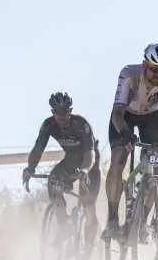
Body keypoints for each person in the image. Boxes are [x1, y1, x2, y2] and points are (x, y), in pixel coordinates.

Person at [104, 42, 158, 238]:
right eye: (154, 71)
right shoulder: (129, 74)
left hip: (151, 118)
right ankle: (112, 220)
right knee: (118, 158)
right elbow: (117, 113)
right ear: (144, 66)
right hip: (124, 115)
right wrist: (125, 133)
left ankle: (141, 222)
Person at [22, 91, 102, 244]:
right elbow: (38, 148)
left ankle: (89, 248)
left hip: (89, 162)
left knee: (88, 206)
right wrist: (30, 168)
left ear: (70, 111)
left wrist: (85, 170)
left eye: (65, 112)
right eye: (57, 113)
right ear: (52, 112)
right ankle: (64, 224)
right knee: (53, 181)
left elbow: (90, 152)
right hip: (71, 160)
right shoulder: (48, 125)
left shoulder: (81, 124)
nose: (62, 116)